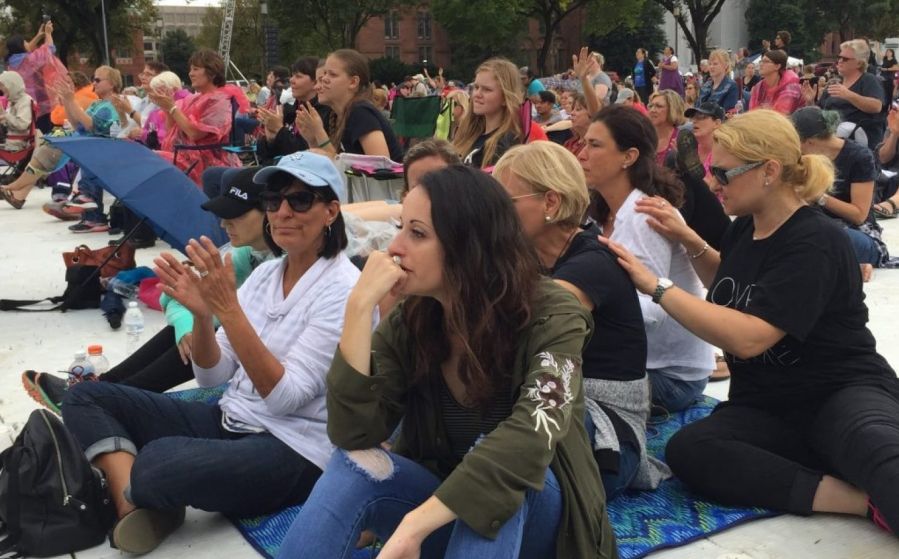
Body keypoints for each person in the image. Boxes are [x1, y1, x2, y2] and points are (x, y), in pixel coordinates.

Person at [276, 164, 616, 559]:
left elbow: (532, 434)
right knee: (356, 465)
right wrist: (358, 308)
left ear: (470, 245)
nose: (394, 247)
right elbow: (352, 433)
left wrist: (414, 524)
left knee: (499, 480)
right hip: (445, 516)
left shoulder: (554, 313)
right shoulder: (415, 318)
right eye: (400, 227)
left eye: (417, 233)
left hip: (545, 531)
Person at [602, 108, 899, 540]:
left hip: (839, 391)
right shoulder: (747, 229)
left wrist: (658, 287)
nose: (713, 183)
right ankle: (856, 500)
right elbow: (732, 285)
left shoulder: (815, 241)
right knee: (692, 451)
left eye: (722, 173)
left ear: (769, 171)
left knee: (884, 458)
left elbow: (750, 337)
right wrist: (693, 243)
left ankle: (859, 473)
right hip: (768, 405)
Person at [61, 151, 359, 554]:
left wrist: (229, 311)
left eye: (300, 200)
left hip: (292, 448)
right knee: (84, 396)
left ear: (331, 211)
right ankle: (132, 503)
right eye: (273, 201)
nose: (283, 212)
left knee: (160, 460)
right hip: (231, 419)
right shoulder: (269, 273)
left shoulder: (343, 290)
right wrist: (203, 318)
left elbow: (286, 397)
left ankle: (135, 485)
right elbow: (213, 379)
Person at [493, 141, 669, 499]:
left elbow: (519, 328)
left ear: (551, 203)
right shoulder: (529, 255)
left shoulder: (592, 264)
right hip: (564, 407)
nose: (494, 215)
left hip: (607, 434)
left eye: (504, 204)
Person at [23, 167, 276, 412]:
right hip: (237, 354)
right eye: (223, 214)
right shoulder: (247, 252)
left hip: (265, 366)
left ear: (273, 213)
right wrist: (188, 327)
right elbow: (175, 294)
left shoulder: (284, 266)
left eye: (236, 215)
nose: (223, 224)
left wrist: (204, 322)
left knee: (208, 332)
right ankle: (105, 387)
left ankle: (106, 399)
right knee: (191, 330)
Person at [578, 105, 714, 412]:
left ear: (629, 157)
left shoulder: (645, 215)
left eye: (594, 145)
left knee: (555, 392)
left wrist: (573, 314)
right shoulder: (603, 212)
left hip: (671, 375)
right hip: (638, 363)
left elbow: (649, 312)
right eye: (584, 143)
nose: (581, 154)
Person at [0, 66, 123, 211]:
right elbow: (76, 124)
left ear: (112, 84)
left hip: (96, 147)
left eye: (97, 80)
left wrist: (71, 100)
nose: (93, 83)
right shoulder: (98, 103)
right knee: (49, 144)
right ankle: (17, 189)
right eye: (92, 79)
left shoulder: (110, 104)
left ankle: (17, 188)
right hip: (84, 142)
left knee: (51, 147)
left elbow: (91, 126)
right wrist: (67, 101)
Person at [791, 107, 888, 279]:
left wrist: (819, 196)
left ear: (809, 142)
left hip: (856, 231)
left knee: (819, 237)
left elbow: (859, 215)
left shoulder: (860, 157)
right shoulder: (803, 158)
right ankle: (849, 267)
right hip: (816, 225)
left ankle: (846, 267)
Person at [148, 49, 241, 186]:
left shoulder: (220, 101)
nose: (190, 74)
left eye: (196, 69)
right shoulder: (193, 98)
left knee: (149, 161)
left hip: (204, 162)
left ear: (212, 73)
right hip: (184, 157)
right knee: (143, 159)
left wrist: (172, 108)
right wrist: (167, 108)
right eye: (190, 69)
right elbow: (170, 130)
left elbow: (195, 134)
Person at [295, 49, 403, 162]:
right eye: (325, 73)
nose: (324, 80)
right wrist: (312, 140)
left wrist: (319, 132)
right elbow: (329, 168)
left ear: (353, 82)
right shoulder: (338, 115)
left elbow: (381, 167)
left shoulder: (361, 112)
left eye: (332, 74)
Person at [802, 39, 885, 150]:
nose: (839, 61)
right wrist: (810, 101)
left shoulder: (868, 80)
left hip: (857, 141)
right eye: (839, 57)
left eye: (845, 59)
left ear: (859, 63)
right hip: (831, 139)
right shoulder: (834, 84)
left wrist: (848, 95)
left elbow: (876, 106)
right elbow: (820, 113)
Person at [453, 57, 525, 168]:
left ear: (505, 98)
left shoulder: (507, 143)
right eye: (476, 87)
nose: (477, 94)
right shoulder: (469, 133)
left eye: (487, 89)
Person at [5, 22, 62, 133]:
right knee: (42, 135)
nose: (28, 43)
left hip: (19, 105)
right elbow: (49, 50)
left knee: (28, 134)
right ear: (21, 45)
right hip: (38, 105)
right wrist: (48, 33)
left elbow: (26, 50)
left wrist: (39, 35)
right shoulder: (30, 61)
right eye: (25, 42)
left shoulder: (11, 64)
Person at [749, 50, 803, 115]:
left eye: (766, 61)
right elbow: (752, 112)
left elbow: (779, 115)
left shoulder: (791, 87)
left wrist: (761, 110)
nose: (761, 64)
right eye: (761, 61)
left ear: (777, 66)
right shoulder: (759, 86)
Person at [684, 101, 725, 182]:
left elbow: (716, 190)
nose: (694, 121)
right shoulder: (690, 147)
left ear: (716, 123)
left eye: (701, 117)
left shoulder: (724, 153)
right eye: (693, 117)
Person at [648, 89, 685, 166]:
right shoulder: (643, 137)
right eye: (651, 106)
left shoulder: (682, 139)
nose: (652, 110)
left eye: (659, 106)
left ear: (672, 110)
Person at [0, 71, 35, 152]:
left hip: (18, 144)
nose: (1, 88)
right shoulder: (13, 100)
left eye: (2, 85)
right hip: (9, 141)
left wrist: (5, 115)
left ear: (11, 85)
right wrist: (3, 117)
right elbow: (11, 124)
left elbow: (22, 125)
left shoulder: (25, 101)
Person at [563, 92, 591, 158]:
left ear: (592, 114)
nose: (572, 113)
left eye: (578, 109)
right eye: (573, 109)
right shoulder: (569, 143)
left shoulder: (593, 146)